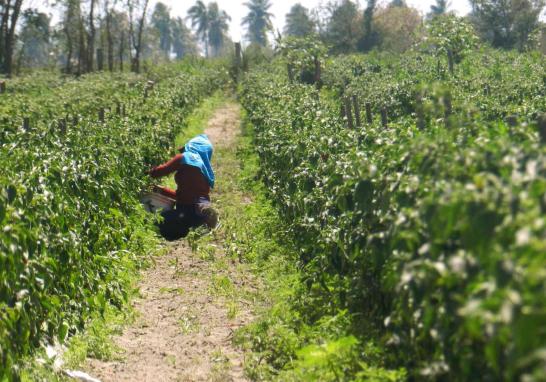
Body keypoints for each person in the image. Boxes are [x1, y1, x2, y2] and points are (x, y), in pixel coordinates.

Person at [148, 134, 218, 241]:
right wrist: (162, 191)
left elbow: (158, 172)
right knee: (196, 207)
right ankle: (203, 221)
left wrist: (147, 172)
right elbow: (188, 195)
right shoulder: (205, 169)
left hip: (185, 212)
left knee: (158, 221)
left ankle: (184, 227)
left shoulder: (184, 158)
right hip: (197, 212)